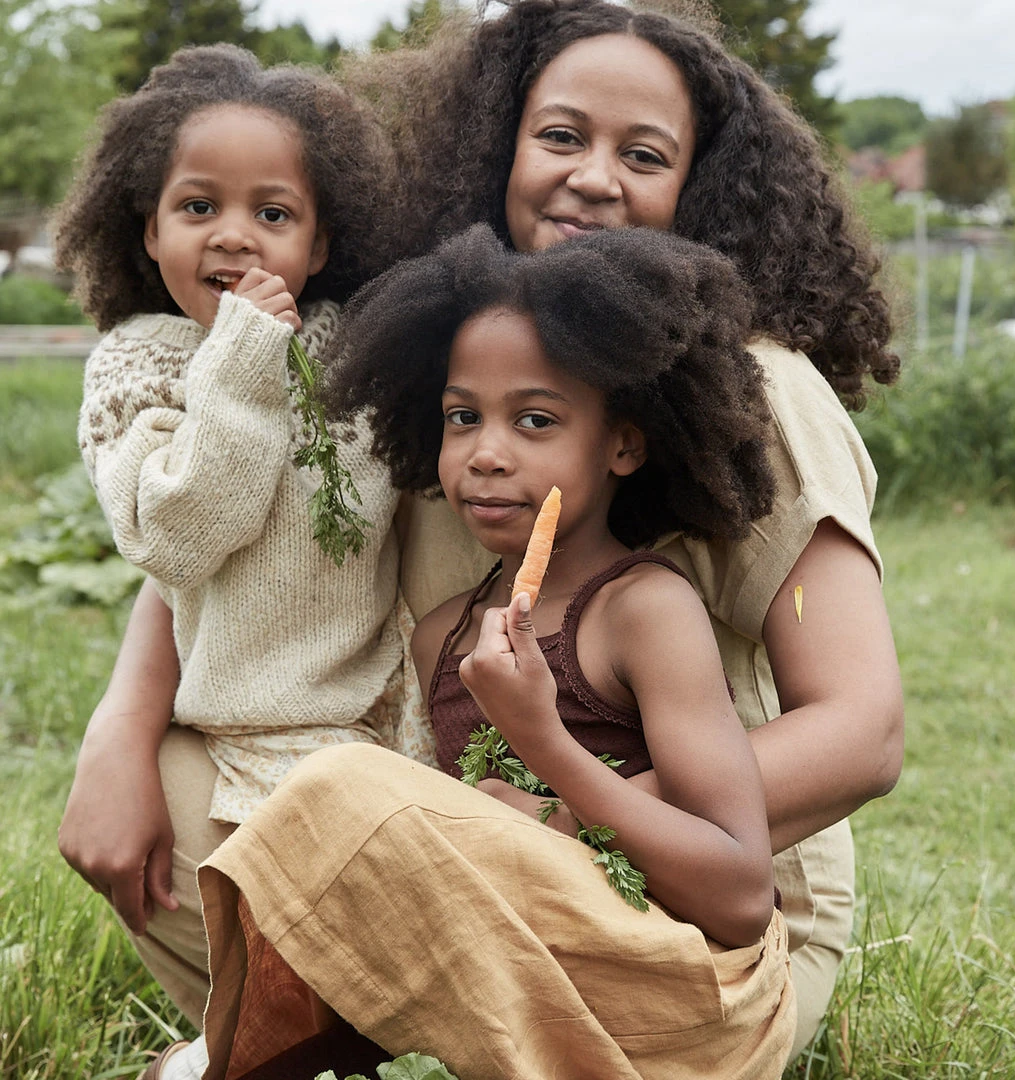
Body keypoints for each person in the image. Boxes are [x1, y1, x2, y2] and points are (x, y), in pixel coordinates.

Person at [344, 0, 905, 1061]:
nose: (594, 176)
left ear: (695, 193)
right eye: (561, 136)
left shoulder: (754, 389)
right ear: (496, 151)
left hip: (708, 912)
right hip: (482, 877)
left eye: (641, 155)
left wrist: (559, 834)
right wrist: (121, 729)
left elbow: (863, 728)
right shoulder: (439, 373)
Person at [195, 223, 795, 1080]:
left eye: (536, 420)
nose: (486, 453)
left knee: (342, 784)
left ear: (624, 442)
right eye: (462, 417)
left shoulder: (642, 610)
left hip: (682, 1001)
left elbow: (739, 894)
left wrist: (544, 745)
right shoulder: (448, 633)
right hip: (532, 993)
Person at [52, 43, 408, 1079]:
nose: (233, 235)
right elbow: (179, 533)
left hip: (379, 741)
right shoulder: (138, 365)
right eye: (198, 206)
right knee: (259, 970)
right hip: (229, 757)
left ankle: (234, 1058)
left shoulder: (367, 350)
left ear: (323, 235)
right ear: (149, 227)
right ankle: (248, 1046)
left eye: (273, 212)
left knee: (326, 990)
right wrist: (245, 357)